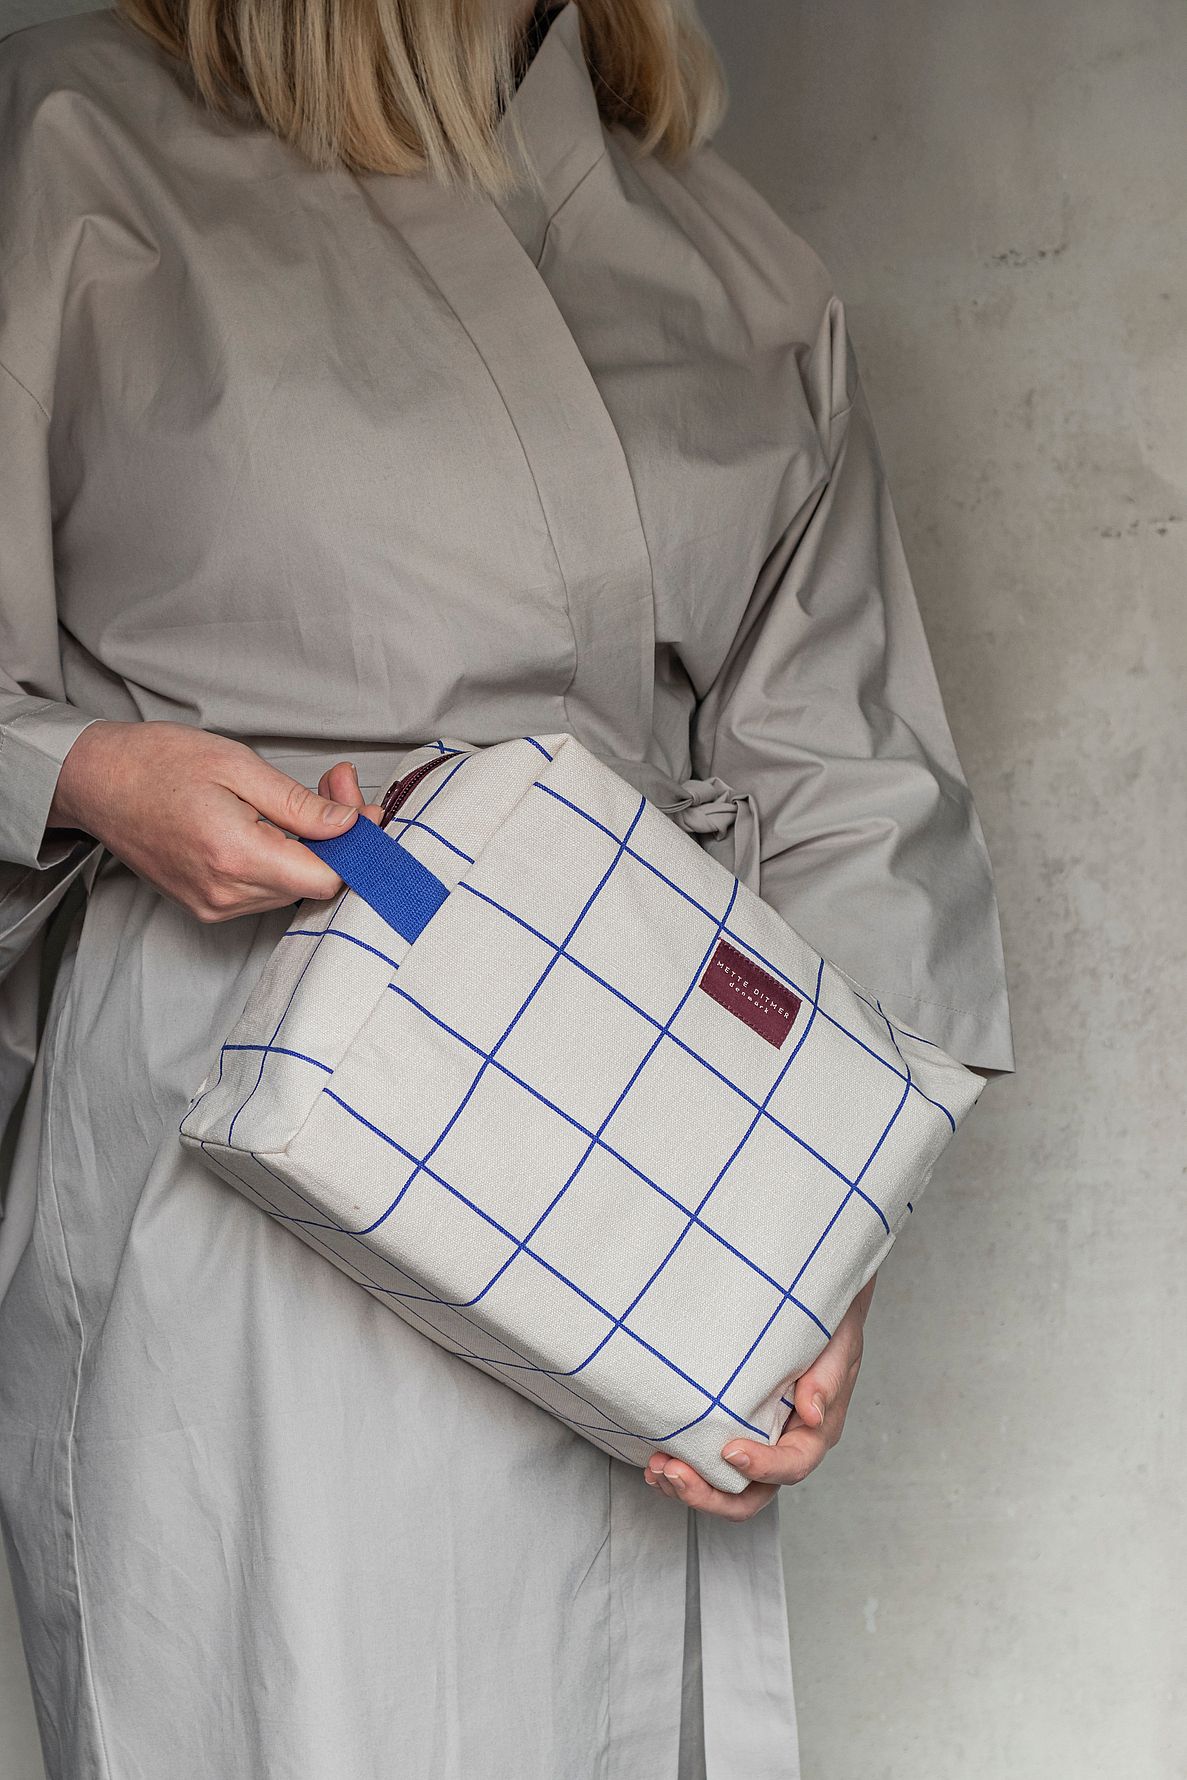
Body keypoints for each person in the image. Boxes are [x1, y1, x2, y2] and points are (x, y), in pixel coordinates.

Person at [0, 1, 1015, 1775]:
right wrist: (85, 775)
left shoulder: (727, 257)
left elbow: (850, 774)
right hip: (248, 1130)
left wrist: (824, 1225)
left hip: (657, 1161)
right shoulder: (64, 136)